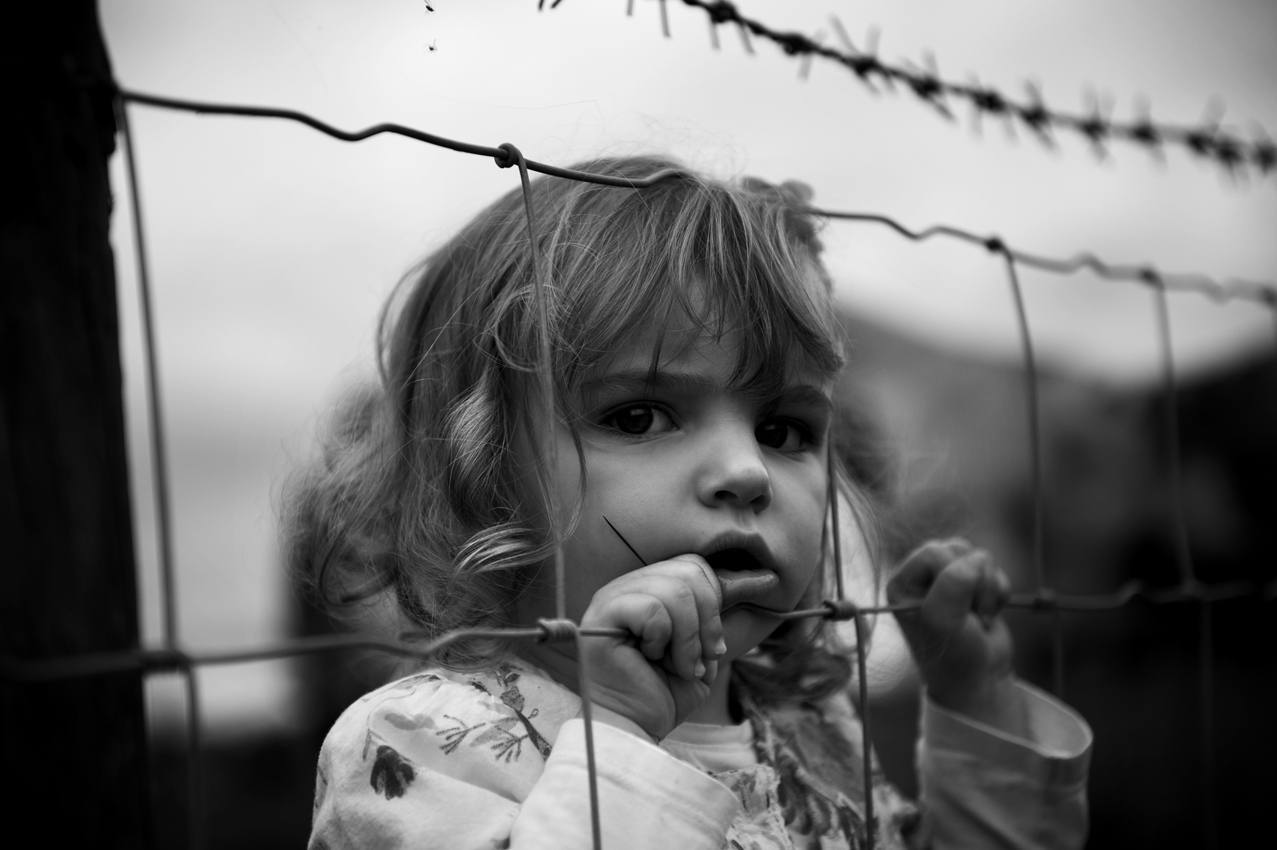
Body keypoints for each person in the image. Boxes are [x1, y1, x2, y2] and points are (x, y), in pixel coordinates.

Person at [285, 156, 1091, 850]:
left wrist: (976, 708)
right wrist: (620, 740)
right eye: (638, 416)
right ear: (476, 468)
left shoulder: (816, 726)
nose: (747, 471)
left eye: (783, 430)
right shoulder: (418, 743)